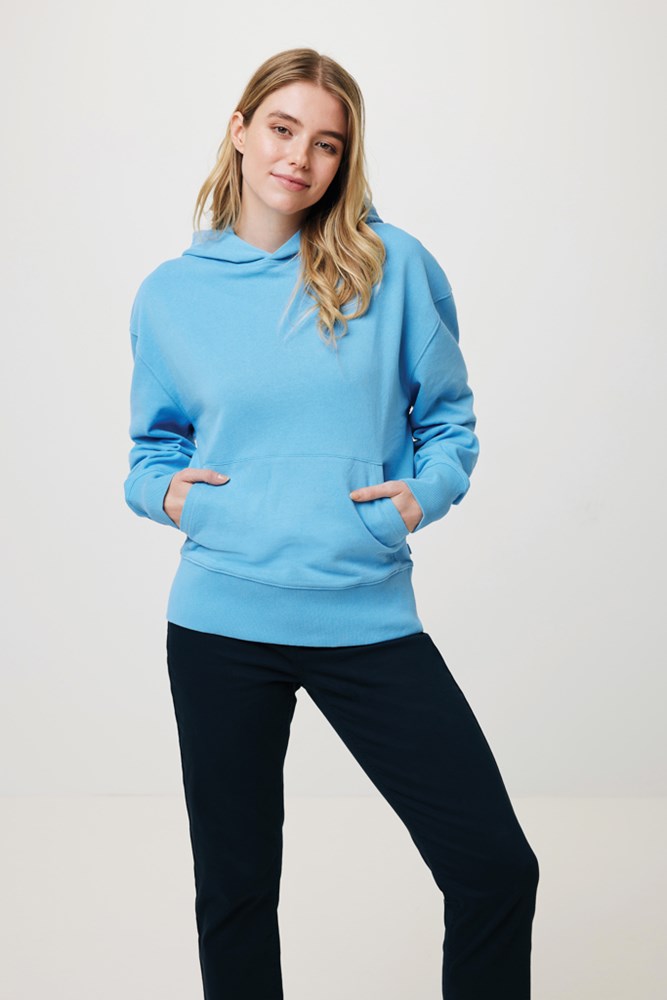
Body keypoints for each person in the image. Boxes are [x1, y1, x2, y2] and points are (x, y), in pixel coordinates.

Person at [124, 46, 539, 1000]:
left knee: (493, 867)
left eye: (325, 143)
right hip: (221, 620)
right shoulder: (170, 294)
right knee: (235, 892)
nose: (298, 158)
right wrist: (172, 496)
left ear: (344, 159)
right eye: (281, 129)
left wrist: (424, 494)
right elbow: (151, 451)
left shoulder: (392, 267)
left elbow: (448, 423)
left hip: (362, 610)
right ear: (239, 131)